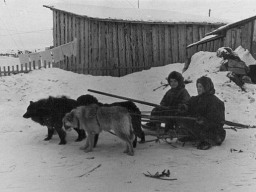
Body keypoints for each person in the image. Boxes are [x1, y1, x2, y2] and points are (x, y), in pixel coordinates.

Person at [178, 76, 226, 150]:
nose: (198, 89)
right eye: (197, 86)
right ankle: (192, 136)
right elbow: (189, 104)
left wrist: (204, 121)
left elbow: (218, 120)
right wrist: (184, 107)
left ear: (206, 87)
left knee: (210, 133)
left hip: (212, 128)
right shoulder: (196, 99)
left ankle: (207, 141)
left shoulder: (215, 102)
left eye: (200, 86)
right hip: (198, 125)